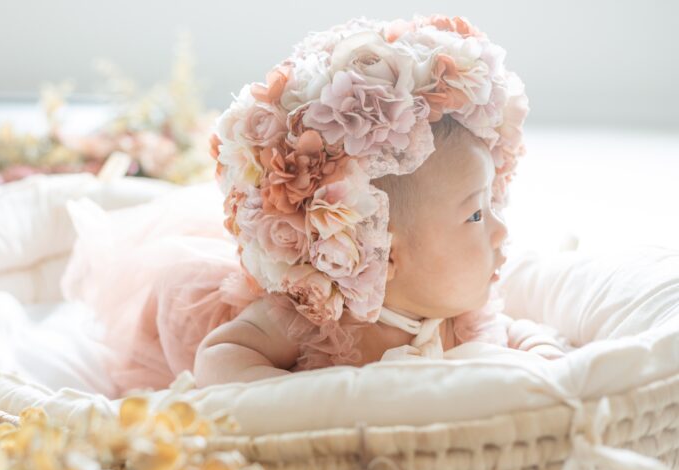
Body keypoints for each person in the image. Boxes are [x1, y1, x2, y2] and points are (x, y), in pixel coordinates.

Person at [61, 15, 565, 398]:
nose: (500, 230)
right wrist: (289, 400)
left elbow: (522, 337)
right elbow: (220, 355)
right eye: (475, 214)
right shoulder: (317, 321)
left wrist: (546, 360)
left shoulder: (463, 311)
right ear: (385, 253)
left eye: (491, 205)